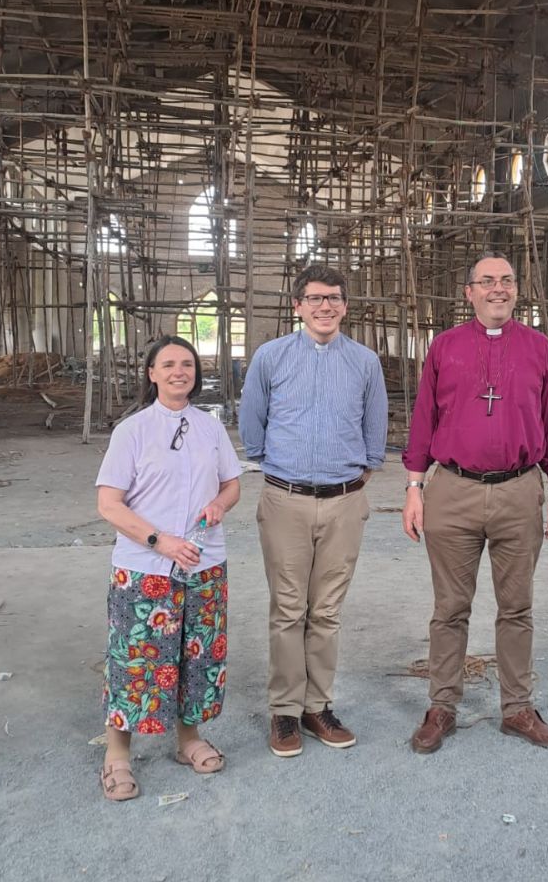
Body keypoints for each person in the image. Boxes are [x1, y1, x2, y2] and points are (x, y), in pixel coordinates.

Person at [402, 251, 548, 753]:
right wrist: (414, 488)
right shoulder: (446, 347)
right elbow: (423, 419)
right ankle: (442, 706)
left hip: (520, 490)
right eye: (487, 281)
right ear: (469, 292)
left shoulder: (539, 348)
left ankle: (517, 708)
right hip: (452, 489)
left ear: (516, 290)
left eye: (507, 281)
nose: (499, 289)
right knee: (450, 607)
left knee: (517, 606)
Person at [239, 264, 387, 758]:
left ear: (346, 305)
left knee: (326, 611)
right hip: (286, 500)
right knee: (288, 608)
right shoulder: (271, 357)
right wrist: (279, 467)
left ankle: (316, 706)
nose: (326, 306)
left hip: (345, 502)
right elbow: (252, 421)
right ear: (297, 305)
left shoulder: (365, 361)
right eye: (315, 298)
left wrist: (361, 471)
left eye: (335, 298)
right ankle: (283, 711)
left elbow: (375, 424)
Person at [95, 335, 242, 801]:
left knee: (196, 656)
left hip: (203, 563)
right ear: (151, 373)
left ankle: (189, 739)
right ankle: (117, 754)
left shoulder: (210, 427)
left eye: (187, 364)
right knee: (136, 660)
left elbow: (232, 483)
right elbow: (109, 504)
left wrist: (219, 504)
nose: (180, 371)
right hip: (145, 567)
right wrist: (161, 541)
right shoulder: (133, 431)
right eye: (169, 364)